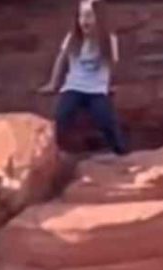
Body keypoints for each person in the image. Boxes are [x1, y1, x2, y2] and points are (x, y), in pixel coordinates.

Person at [39, 0, 128, 155]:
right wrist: (53, 83)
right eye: (81, 16)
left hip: (97, 89)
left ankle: (120, 152)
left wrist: (110, 84)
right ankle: (50, 153)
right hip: (74, 86)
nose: (84, 21)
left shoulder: (108, 39)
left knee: (106, 119)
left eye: (88, 16)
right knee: (62, 116)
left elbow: (114, 63)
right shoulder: (73, 38)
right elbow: (61, 59)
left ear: (98, 18)